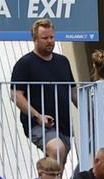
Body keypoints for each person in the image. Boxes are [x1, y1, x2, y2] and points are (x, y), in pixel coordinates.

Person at [9, 18, 74, 166]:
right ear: (35, 39)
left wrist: (91, 110)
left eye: (52, 37)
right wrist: (38, 116)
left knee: (58, 165)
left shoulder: (63, 61)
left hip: (63, 123)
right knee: (57, 149)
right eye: (45, 38)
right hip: (37, 124)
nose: (49, 41)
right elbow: (16, 95)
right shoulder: (24, 63)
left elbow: (74, 91)